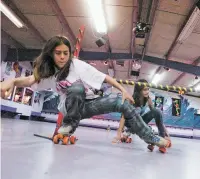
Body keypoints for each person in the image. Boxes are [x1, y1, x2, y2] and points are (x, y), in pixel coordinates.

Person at [0, 35, 170, 148]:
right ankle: (69, 125)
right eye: (58, 53)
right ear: (51, 53)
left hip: (89, 105)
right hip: (68, 109)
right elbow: (29, 80)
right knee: (76, 88)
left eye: (65, 53)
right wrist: (13, 81)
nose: (62, 57)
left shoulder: (76, 65)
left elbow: (104, 77)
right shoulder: (48, 70)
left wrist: (123, 91)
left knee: (121, 102)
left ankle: (150, 137)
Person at [113, 79, 171, 150]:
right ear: (139, 90)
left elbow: (156, 114)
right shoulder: (131, 100)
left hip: (140, 121)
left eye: (148, 89)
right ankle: (128, 132)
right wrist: (119, 132)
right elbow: (123, 117)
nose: (147, 91)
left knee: (157, 111)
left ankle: (161, 140)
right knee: (138, 109)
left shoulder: (148, 99)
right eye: (144, 90)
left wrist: (164, 130)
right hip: (129, 123)